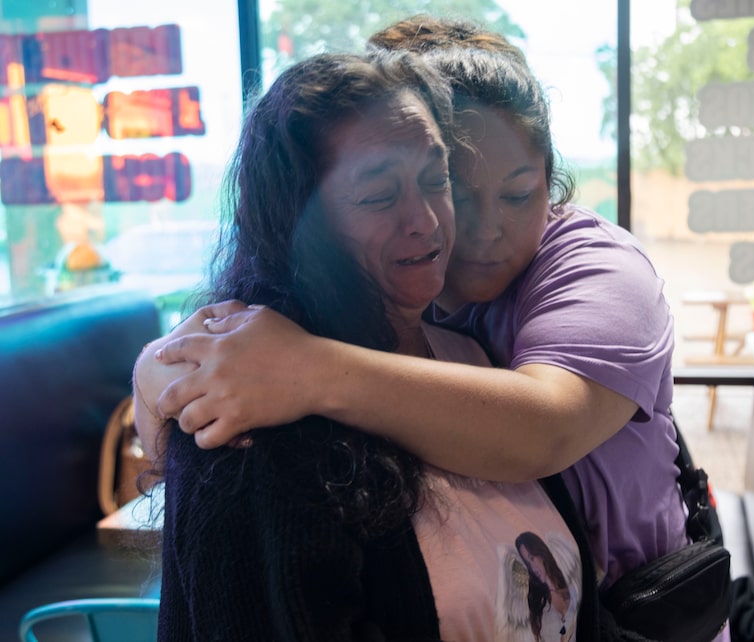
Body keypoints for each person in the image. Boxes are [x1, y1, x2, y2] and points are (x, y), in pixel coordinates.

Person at [138, 14, 687, 596]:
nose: (479, 231)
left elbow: (543, 429)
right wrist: (163, 368)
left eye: (519, 194)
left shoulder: (598, 267)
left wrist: (305, 367)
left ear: (552, 185)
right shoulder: (400, 282)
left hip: (635, 614)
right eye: (449, 184)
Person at [515, 531, 577, 642]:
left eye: (532, 558)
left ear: (541, 553)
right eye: (528, 564)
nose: (533, 568)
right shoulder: (538, 606)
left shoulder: (573, 588)